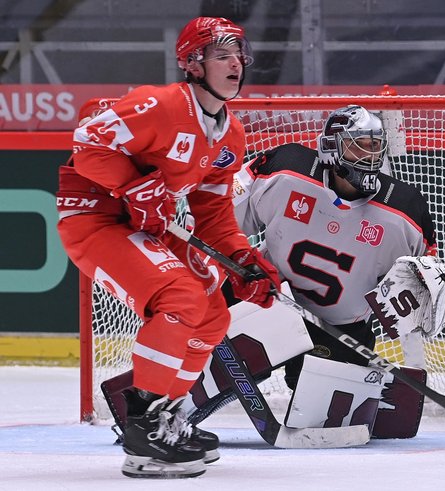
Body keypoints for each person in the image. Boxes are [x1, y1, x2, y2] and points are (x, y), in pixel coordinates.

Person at [56, 16, 280, 479]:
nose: (235, 63)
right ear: (193, 64)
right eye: (221, 55)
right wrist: (133, 185)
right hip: (95, 217)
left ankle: (170, 417)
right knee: (178, 295)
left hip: (144, 226)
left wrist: (241, 259)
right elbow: (87, 145)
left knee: (213, 311)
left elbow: (213, 212)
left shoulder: (229, 137)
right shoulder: (157, 104)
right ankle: (145, 427)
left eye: (238, 54)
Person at [227, 105, 438, 437]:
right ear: (330, 148)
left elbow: (415, 291)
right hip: (268, 303)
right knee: (209, 368)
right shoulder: (285, 170)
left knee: (330, 427)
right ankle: (158, 403)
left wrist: (417, 300)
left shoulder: (405, 212)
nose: (369, 156)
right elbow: (221, 224)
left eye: (374, 145)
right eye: (358, 145)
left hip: (339, 329)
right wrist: (246, 264)